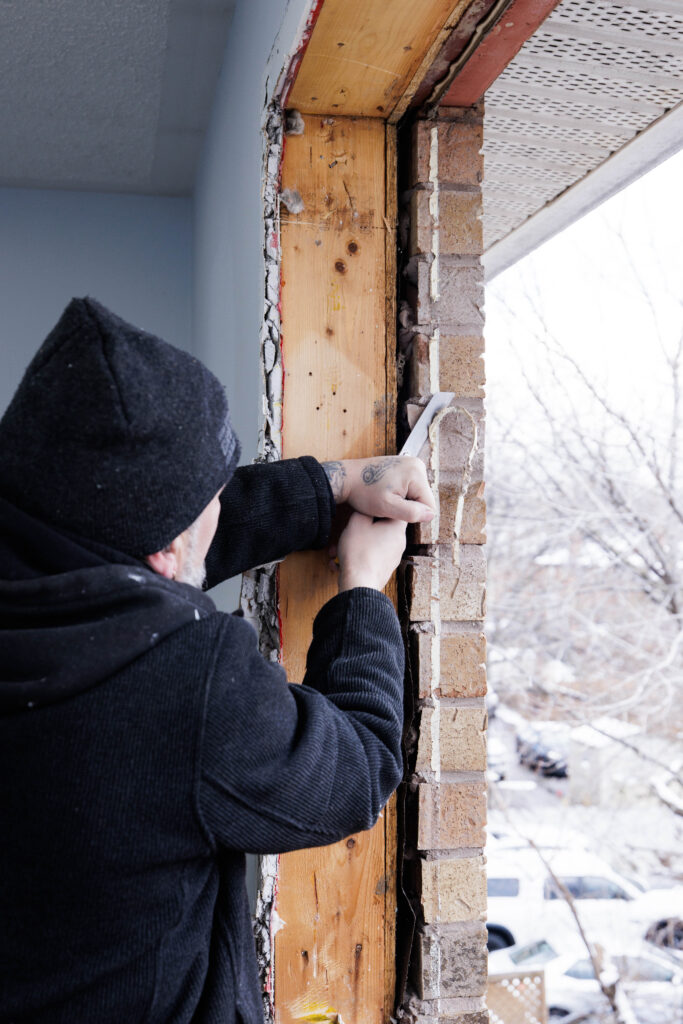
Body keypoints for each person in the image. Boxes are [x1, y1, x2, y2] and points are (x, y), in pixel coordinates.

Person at [0, 298, 435, 1024]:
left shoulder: (38, 528)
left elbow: (121, 541)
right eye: (210, 499)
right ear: (166, 550)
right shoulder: (181, 683)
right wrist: (361, 591)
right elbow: (352, 771)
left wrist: (333, 483)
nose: (218, 510)